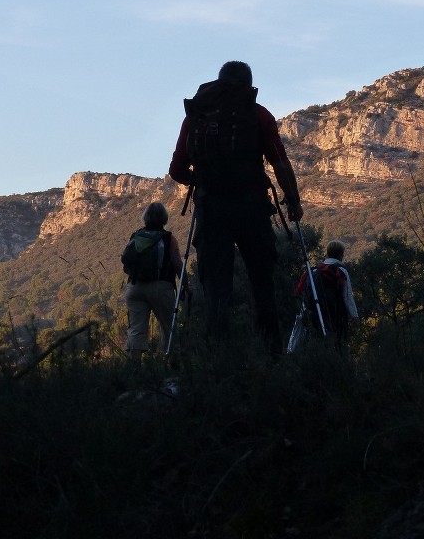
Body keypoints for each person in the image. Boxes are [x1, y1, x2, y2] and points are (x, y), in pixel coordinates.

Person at [168, 60, 303, 357]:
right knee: (262, 282)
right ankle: (271, 357)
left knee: (216, 286)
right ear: (249, 85)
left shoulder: (196, 117)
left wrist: (200, 181)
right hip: (252, 207)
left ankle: (218, 359)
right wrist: (293, 200)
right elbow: (280, 162)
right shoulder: (258, 115)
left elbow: (177, 169)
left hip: (211, 209)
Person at [123, 201, 182, 362]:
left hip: (134, 287)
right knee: (169, 327)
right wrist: (185, 285)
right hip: (160, 287)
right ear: (164, 218)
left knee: (136, 329)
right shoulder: (168, 239)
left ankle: (135, 369)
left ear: (145, 218)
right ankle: (172, 364)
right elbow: (177, 264)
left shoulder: (136, 236)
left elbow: (126, 262)